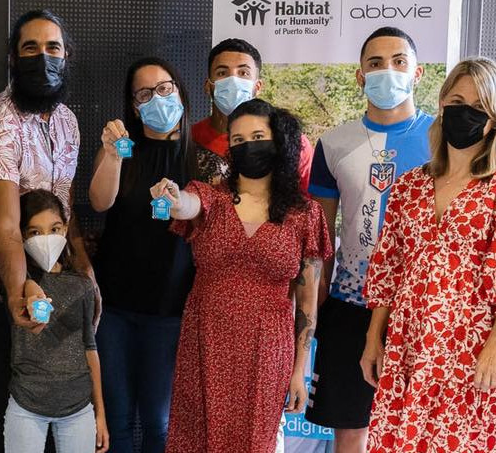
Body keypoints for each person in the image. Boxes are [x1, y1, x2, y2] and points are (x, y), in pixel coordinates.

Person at [360, 57, 496, 452]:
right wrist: (375, 339)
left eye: (479, 107)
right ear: (441, 105)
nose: (465, 112)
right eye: (457, 100)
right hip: (410, 343)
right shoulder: (411, 185)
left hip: (475, 346)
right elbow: (388, 268)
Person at [151, 99, 331, 453]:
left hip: (267, 350)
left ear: (278, 141)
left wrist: (299, 371)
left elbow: (307, 305)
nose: (247, 146)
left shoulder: (304, 215)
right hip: (205, 341)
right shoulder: (211, 198)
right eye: (237, 140)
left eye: (258, 136)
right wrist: (171, 197)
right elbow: (186, 204)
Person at [0, 9, 95, 453]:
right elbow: (5, 224)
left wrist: (85, 270)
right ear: (12, 58)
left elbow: (68, 207)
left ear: (67, 56)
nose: (43, 58)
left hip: (57, 291)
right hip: (7, 295)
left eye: (53, 48)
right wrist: (20, 293)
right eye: (30, 48)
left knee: (57, 415)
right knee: (6, 417)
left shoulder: (68, 122)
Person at [304, 26, 433, 453]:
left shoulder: (443, 140)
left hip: (423, 307)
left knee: (418, 430)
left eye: (399, 62)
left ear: (417, 74)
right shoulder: (333, 143)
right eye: (375, 63)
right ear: (360, 76)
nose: (387, 71)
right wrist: (312, 301)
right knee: (352, 428)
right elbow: (320, 237)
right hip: (352, 303)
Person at [87, 57, 197, 453]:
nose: (157, 98)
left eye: (165, 88)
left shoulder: (199, 158)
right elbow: (99, 202)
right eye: (145, 93)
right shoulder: (121, 148)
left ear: (180, 91)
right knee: (115, 419)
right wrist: (113, 154)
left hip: (170, 312)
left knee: (158, 421)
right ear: (134, 105)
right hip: (115, 308)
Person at [5, 190, 109, 453]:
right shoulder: (15, 284)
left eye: (54, 229)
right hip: (27, 405)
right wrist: (29, 288)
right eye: (35, 233)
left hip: (78, 409)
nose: (46, 239)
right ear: (23, 236)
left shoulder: (82, 286)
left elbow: (90, 347)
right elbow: (23, 288)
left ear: (65, 229)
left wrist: (100, 413)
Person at [193, 38, 312, 189]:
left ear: (258, 86)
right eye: (222, 73)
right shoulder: (190, 141)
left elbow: (310, 205)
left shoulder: (291, 142)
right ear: (208, 86)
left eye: (243, 73)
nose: (233, 81)